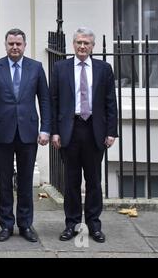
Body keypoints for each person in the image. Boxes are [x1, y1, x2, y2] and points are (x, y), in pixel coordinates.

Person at [0, 28, 51, 243]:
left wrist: (45, 128)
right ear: (5, 45)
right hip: (1, 132)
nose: (14, 47)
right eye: (11, 44)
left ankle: (25, 224)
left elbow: (45, 100)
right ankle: (6, 225)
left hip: (29, 132)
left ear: (24, 45)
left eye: (18, 44)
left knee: (25, 181)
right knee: (4, 182)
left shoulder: (36, 68)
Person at [50, 27, 117, 243]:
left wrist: (111, 132)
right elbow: (54, 102)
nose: (82, 46)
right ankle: (71, 225)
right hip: (70, 129)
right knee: (70, 182)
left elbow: (110, 102)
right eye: (79, 42)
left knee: (94, 181)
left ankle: (94, 226)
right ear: (73, 44)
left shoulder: (104, 69)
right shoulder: (60, 68)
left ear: (92, 46)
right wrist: (54, 132)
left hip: (94, 131)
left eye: (86, 43)